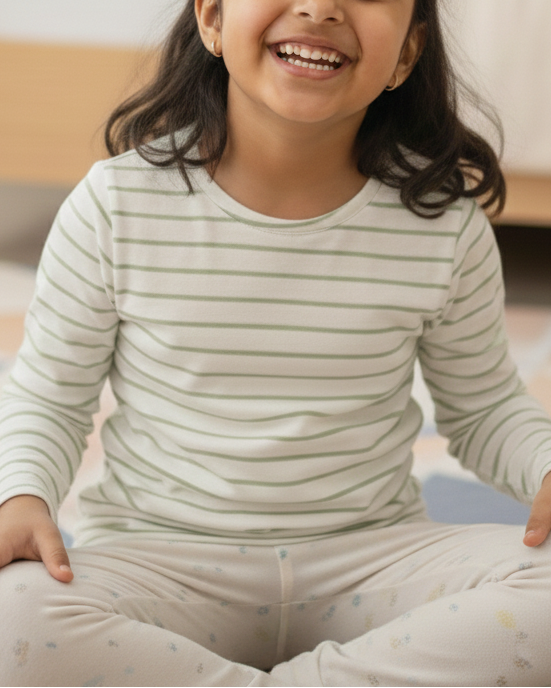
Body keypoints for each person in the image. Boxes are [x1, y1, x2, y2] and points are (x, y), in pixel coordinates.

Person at [1, 0, 550, 685]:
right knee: (13, 616)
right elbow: (50, 398)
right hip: (164, 564)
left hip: (371, 560)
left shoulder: (443, 225)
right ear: (211, 19)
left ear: (406, 55)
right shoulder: (114, 204)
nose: (319, 7)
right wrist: (19, 494)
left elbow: (485, 408)